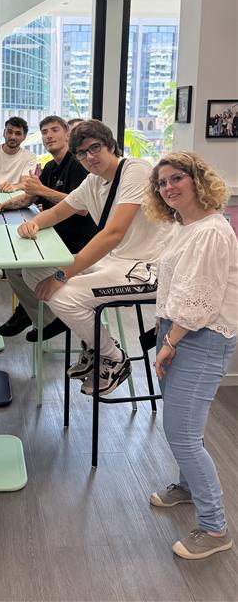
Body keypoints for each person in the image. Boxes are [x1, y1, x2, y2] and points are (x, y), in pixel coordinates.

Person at [17, 120, 163, 395]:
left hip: (145, 269)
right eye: (82, 153)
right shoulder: (93, 181)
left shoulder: (135, 170)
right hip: (114, 262)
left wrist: (61, 275)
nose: (89, 157)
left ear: (111, 145)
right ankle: (94, 345)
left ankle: (114, 358)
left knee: (62, 294)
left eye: (95, 148)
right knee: (33, 271)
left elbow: (113, 234)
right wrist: (33, 224)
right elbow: (59, 211)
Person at [144, 152, 237, 560]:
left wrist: (170, 342)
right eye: (162, 183)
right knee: (185, 425)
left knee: (181, 433)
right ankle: (187, 486)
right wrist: (166, 334)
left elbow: (200, 299)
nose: (168, 187)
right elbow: (178, 288)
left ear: (198, 179)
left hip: (201, 337)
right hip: (178, 331)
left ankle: (215, 529)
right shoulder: (185, 227)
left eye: (176, 178)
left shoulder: (212, 231)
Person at [0, 116, 96, 339]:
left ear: (67, 135)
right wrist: (0, 206)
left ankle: (48, 318)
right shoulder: (50, 167)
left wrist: (42, 190)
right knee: (12, 266)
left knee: (21, 267)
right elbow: (29, 198)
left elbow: (82, 208)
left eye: (54, 130)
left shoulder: (78, 164)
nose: (48, 135)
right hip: (53, 239)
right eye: (44, 132)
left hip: (76, 248)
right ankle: (32, 313)